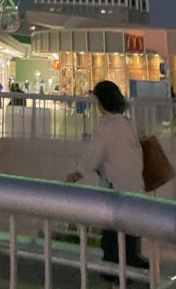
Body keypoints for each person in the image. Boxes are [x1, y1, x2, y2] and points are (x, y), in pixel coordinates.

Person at [66, 81, 148, 278]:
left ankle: (122, 279)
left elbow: (92, 156)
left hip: (115, 193)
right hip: (134, 191)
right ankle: (137, 276)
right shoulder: (125, 122)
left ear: (101, 101)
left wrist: (76, 175)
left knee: (113, 245)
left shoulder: (106, 126)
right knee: (129, 244)